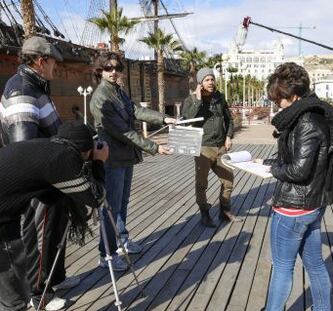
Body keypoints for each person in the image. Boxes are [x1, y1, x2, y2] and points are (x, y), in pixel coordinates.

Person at [257, 63, 333, 311]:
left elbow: (298, 170)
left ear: (293, 96)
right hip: (313, 205)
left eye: (279, 99)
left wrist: (271, 170)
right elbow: (298, 160)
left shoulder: (306, 121)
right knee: (315, 264)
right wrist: (264, 162)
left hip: (294, 208)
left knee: (282, 267)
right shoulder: (316, 113)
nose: (277, 104)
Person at [0, 36, 80, 308]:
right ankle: (38, 295)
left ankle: (53, 278)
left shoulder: (35, 86)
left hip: (51, 176)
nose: (56, 67)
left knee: (53, 230)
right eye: (54, 62)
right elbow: (24, 150)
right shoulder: (22, 90)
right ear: (40, 61)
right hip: (38, 182)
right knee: (38, 234)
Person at [0, 120, 108, 311]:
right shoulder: (63, 158)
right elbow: (95, 197)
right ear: (85, 150)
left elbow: (46, 190)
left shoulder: (47, 147)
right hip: (3, 224)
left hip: (6, 213)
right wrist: (99, 161)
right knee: (14, 298)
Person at [89, 52, 176, 271]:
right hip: (112, 159)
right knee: (111, 207)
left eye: (117, 67)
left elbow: (135, 110)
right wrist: (154, 147)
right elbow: (123, 132)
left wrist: (163, 117)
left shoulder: (118, 91)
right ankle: (105, 254)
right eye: (109, 68)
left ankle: (122, 241)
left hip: (125, 157)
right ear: (100, 70)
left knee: (122, 203)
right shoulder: (101, 97)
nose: (114, 71)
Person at [182, 67, 241, 227]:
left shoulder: (219, 97)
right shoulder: (190, 100)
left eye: (212, 79)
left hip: (221, 146)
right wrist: (198, 99)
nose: (211, 82)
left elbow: (228, 119)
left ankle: (225, 211)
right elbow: (187, 120)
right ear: (200, 82)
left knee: (228, 180)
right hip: (202, 147)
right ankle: (205, 213)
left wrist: (229, 136)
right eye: (207, 80)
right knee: (202, 183)